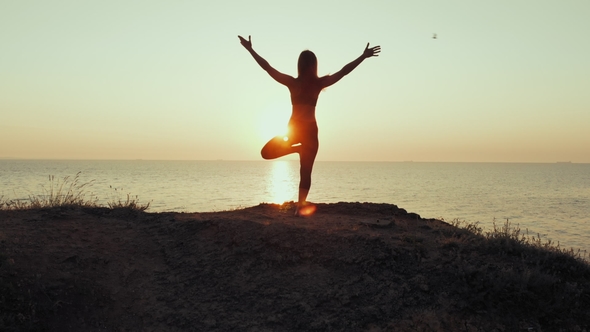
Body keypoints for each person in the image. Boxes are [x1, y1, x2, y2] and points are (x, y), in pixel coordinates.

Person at [238, 35, 380, 216]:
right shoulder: (298, 83)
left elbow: (344, 71)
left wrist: (362, 57)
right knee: (268, 153)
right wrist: (250, 50)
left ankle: (300, 207)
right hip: (298, 131)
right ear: (313, 65)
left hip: (303, 132)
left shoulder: (310, 83)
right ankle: (297, 151)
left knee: (306, 171)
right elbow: (268, 68)